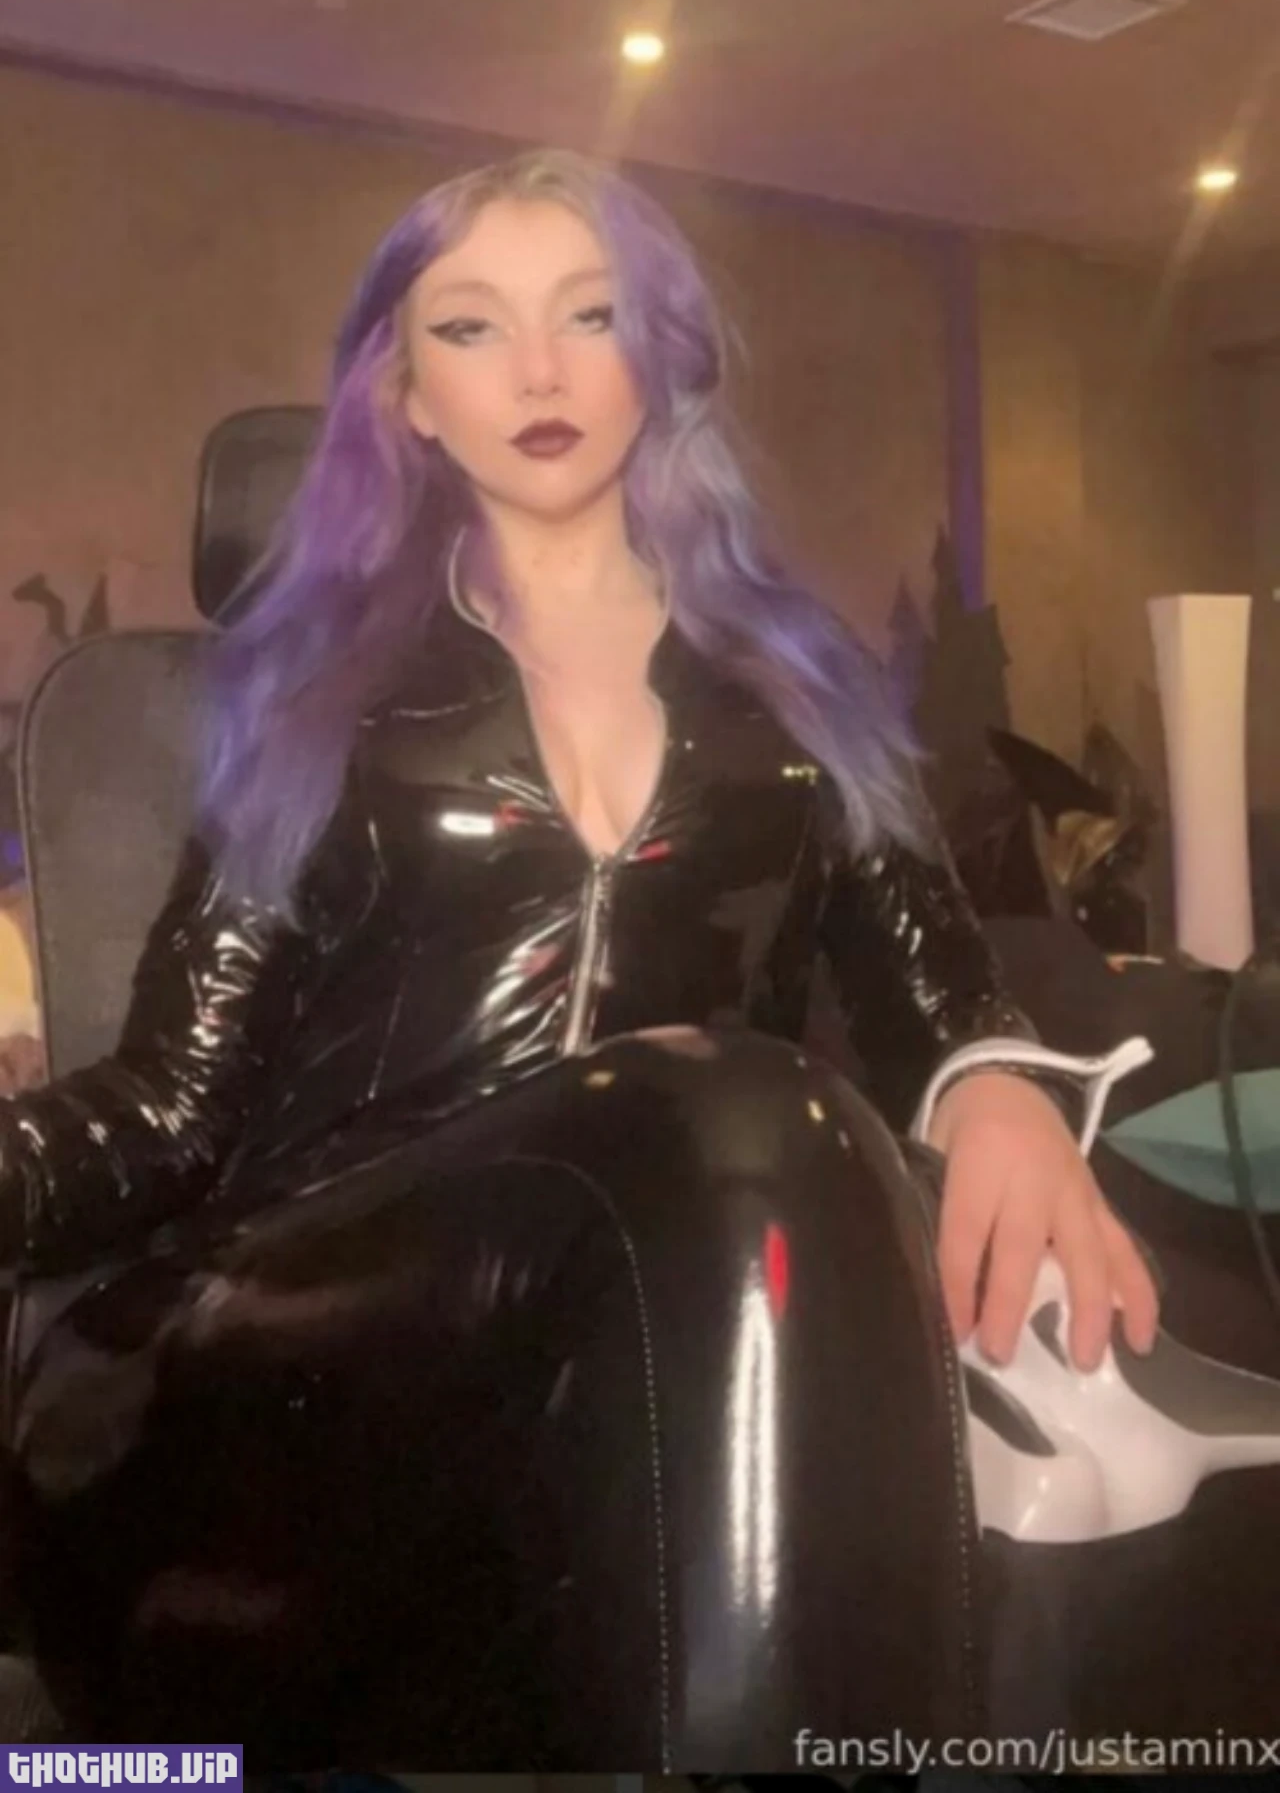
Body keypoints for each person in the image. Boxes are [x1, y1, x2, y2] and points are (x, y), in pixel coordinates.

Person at [0, 149, 1158, 1764]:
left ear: (659, 352)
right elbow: (170, 1107)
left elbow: (942, 992)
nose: (539, 371)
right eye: (472, 327)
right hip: (310, 1341)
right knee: (741, 1115)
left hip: (642, 1353)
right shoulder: (320, 694)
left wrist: (1001, 1093)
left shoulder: (797, 692)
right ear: (408, 395)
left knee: (768, 1177)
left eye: (589, 315)